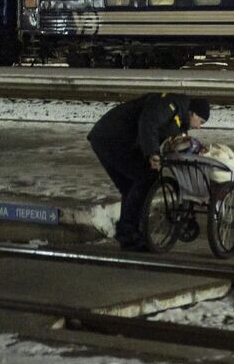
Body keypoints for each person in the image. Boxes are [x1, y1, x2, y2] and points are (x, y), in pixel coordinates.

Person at [88, 93, 210, 250]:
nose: (199, 127)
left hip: (111, 138)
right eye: (200, 121)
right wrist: (152, 153)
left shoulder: (178, 117)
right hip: (113, 137)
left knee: (132, 186)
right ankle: (129, 233)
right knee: (145, 178)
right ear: (193, 113)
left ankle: (129, 236)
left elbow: (173, 140)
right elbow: (149, 122)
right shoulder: (170, 104)